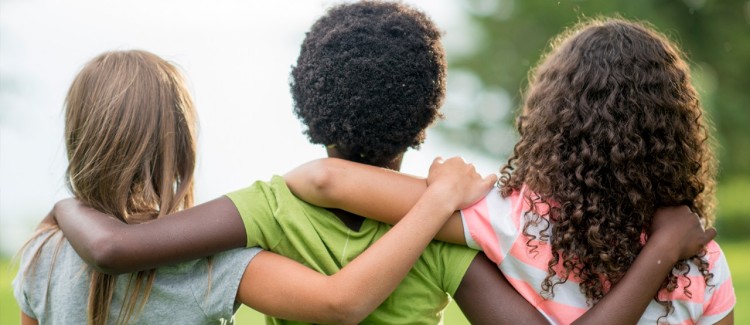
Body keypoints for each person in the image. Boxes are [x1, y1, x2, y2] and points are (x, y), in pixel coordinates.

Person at [51, 4, 713, 325]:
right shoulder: (451, 226)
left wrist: (64, 206)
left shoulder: (271, 206)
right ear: (427, 115)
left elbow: (117, 245)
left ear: (306, 100)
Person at [283, 18, 736, 324]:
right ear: (676, 135)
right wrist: (665, 246)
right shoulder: (703, 263)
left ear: (552, 123)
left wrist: (445, 191)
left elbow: (326, 179)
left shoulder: (513, 219)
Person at [11, 50, 502, 325]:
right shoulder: (209, 265)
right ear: (181, 145)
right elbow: (340, 302)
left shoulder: (40, 256)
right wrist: (437, 198)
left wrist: (63, 203)